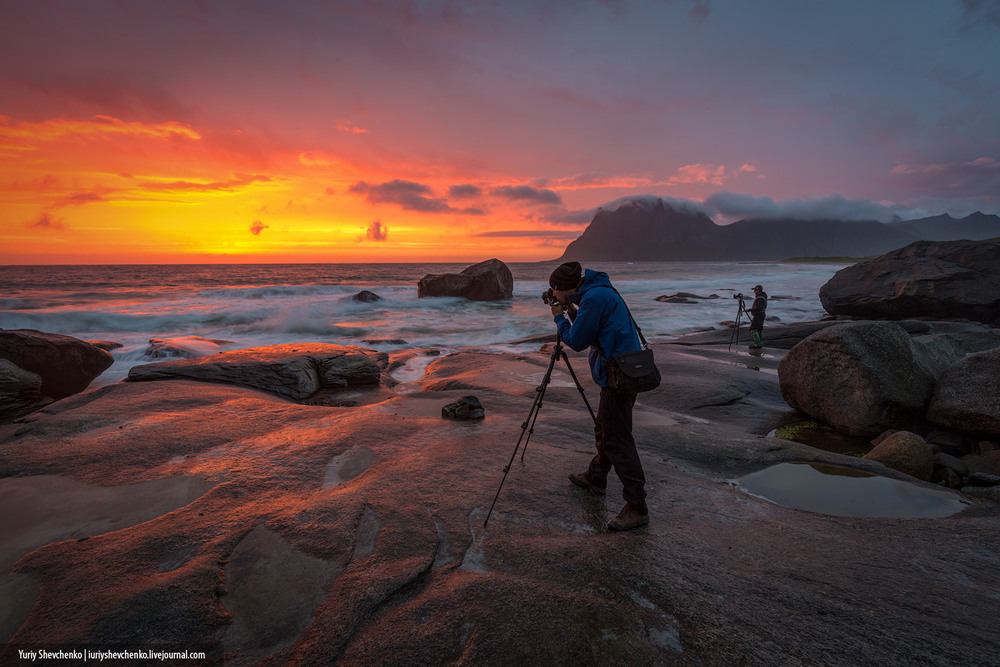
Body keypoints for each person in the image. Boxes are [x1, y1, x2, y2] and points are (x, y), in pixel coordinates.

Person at [547, 261, 649, 531]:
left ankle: (637, 507)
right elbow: (596, 327)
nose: (552, 295)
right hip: (625, 370)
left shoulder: (592, 298)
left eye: (554, 291)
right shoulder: (600, 290)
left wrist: (559, 318)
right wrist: (570, 309)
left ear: (565, 289)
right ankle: (596, 477)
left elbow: (578, 341)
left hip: (618, 377)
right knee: (606, 428)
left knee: (618, 440)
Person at [745, 284, 767, 349]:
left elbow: (759, 308)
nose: (754, 291)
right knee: (759, 328)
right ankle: (760, 342)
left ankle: (757, 343)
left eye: (755, 290)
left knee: (753, 329)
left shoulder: (760, 298)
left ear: (758, 290)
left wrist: (750, 310)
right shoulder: (762, 296)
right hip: (761, 314)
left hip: (758, 315)